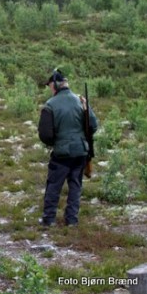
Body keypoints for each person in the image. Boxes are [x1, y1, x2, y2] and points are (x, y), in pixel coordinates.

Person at [38, 69, 98, 227]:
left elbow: (45, 135)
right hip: (81, 152)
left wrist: (55, 143)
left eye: (50, 85)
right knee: (75, 186)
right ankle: (72, 220)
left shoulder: (50, 105)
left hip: (62, 154)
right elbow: (93, 125)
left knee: (53, 186)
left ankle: (49, 219)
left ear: (55, 85)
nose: (50, 89)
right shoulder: (81, 101)